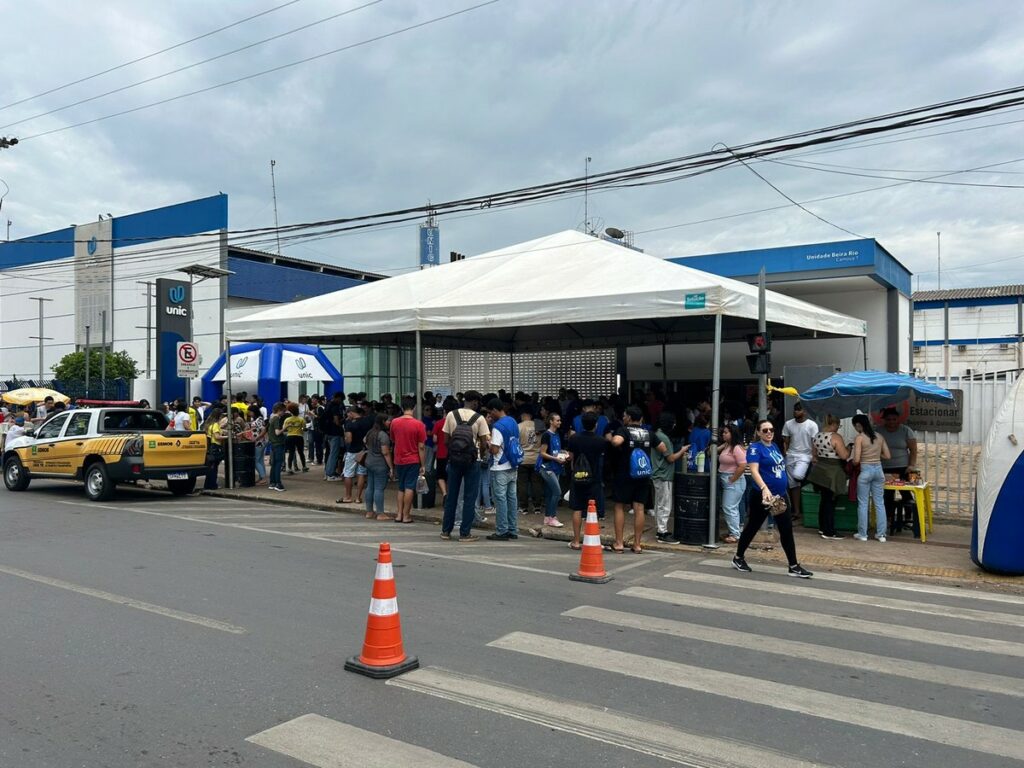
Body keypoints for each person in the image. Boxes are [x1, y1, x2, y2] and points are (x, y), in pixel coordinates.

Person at [732, 419, 813, 578]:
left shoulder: (775, 446)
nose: (769, 433)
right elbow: (754, 471)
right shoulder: (755, 448)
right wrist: (764, 488)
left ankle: (793, 565)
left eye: (771, 430)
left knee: (786, 528)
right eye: (765, 430)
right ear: (758, 432)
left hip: (778, 496)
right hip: (763, 496)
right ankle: (738, 557)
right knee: (752, 527)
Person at [606, 405, 662, 553]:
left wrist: (610, 438)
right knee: (639, 508)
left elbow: (616, 442)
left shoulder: (624, 430)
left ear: (629, 418)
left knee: (619, 506)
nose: (623, 418)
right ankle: (637, 544)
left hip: (625, 474)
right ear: (641, 419)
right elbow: (663, 449)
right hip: (643, 474)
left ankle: (619, 543)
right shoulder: (649, 433)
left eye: (624, 416)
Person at [441, 390, 489, 542]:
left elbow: (445, 439)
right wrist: (478, 454)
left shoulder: (451, 415)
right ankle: (465, 533)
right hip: (472, 461)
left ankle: (446, 531)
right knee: (470, 497)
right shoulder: (479, 418)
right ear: (474, 402)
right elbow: (483, 442)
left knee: (452, 496)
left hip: (454, 460)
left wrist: (455, 452)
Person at [565, 411, 607, 549]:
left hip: (577, 476)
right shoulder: (601, 441)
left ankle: (576, 541)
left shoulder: (574, 438)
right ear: (596, 425)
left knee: (577, 508)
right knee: (592, 509)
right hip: (594, 477)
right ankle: (593, 540)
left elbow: (570, 457)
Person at [807, 413, 849, 540]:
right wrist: (849, 448)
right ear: (834, 424)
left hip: (820, 471)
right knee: (830, 502)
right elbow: (844, 456)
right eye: (838, 425)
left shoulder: (817, 436)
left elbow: (814, 455)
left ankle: (822, 527)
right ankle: (829, 531)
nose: (838, 427)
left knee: (824, 500)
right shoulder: (835, 437)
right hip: (833, 471)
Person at [879, 407, 919, 535]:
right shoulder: (878, 431)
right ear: (884, 420)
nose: (891, 422)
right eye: (889, 419)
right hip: (885, 468)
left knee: (906, 494)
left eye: (894, 419)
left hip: (903, 467)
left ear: (898, 419)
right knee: (887, 495)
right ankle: (888, 519)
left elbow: (913, 450)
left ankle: (908, 517)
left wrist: (911, 465)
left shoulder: (906, 431)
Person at [852, 413, 891, 542]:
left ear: (859, 425)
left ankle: (863, 534)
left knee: (863, 503)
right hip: (879, 471)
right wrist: (876, 456)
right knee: (879, 503)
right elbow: (888, 456)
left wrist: (853, 461)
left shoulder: (859, 438)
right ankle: (881, 535)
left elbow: (856, 460)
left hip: (865, 471)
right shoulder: (879, 436)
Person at [485, 399, 520, 541]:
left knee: (500, 500)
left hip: (500, 466)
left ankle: (502, 531)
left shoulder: (497, 426)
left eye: (489, 412)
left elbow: (494, 449)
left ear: (494, 410)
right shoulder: (513, 421)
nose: (489, 415)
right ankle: (513, 529)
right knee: (512, 498)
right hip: (513, 464)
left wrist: (488, 444)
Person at [651, 412, 689, 542]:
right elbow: (671, 458)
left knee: (659, 503)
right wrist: (683, 450)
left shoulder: (657, 434)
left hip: (658, 474)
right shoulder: (664, 438)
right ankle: (663, 532)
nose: (674, 425)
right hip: (664, 475)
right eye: (673, 423)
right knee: (665, 504)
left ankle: (660, 529)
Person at [389, 396, 426, 524]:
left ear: (401, 407)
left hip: (398, 458)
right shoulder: (419, 424)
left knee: (401, 487)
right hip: (413, 459)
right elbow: (421, 446)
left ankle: (398, 514)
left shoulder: (394, 422)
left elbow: (393, 439)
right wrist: (423, 464)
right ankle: (406, 515)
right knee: (410, 487)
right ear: (414, 407)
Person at [782, 402, 819, 521]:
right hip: (790, 456)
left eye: (799, 409)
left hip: (805, 456)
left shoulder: (812, 425)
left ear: (805, 411)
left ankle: (806, 480)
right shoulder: (788, 424)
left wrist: (814, 456)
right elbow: (786, 440)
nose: (796, 412)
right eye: (795, 409)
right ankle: (796, 512)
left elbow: (814, 442)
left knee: (798, 476)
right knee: (793, 486)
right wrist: (785, 453)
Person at [717, 423, 747, 543]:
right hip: (727, 479)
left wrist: (732, 479)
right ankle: (734, 531)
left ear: (732, 434)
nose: (723, 434)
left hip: (734, 481)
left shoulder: (737, 448)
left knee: (729, 507)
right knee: (731, 507)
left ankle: (735, 534)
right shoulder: (727, 446)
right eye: (723, 432)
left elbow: (743, 465)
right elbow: (711, 451)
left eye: (726, 432)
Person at [537, 412, 567, 528]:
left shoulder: (557, 434)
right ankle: (552, 517)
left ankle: (547, 517)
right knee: (557, 492)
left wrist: (564, 454)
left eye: (560, 420)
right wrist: (556, 458)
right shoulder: (546, 435)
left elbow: (556, 450)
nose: (559, 422)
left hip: (556, 466)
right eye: (557, 420)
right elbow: (542, 453)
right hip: (548, 467)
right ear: (551, 421)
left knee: (550, 493)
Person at [363, 413, 394, 520]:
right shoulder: (383, 435)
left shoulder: (370, 432)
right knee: (379, 488)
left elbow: (365, 443)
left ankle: (369, 511)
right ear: (383, 422)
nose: (389, 422)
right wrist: (391, 467)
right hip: (380, 464)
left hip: (369, 461)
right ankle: (380, 513)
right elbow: (385, 452)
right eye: (387, 420)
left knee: (370, 486)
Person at [340, 405, 370, 503]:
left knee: (348, 474)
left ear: (351, 413)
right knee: (361, 473)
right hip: (363, 451)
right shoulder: (367, 422)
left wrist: (345, 439)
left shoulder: (349, 424)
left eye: (348, 414)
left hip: (352, 451)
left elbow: (349, 439)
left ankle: (348, 496)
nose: (347, 416)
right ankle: (358, 498)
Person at [516, 404, 542, 515]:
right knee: (537, 483)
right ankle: (537, 506)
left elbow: (515, 444)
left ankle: (524, 507)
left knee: (522, 484)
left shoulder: (518, 426)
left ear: (523, 415)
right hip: (536, 458)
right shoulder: (539, 426)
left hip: (523, 459)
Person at [432, 402, 451, 506]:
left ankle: (444, 493)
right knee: (451, 476)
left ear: (444, 411)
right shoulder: (454, 423)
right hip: (452, 454)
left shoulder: (438, 423)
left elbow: (434, 439)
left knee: (440, 475)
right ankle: (451, 493)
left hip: (440, 453)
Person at [322, 392, 344, 481]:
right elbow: (336, 422)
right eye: (341, 399)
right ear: (338, 398)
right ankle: (330, 474)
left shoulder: (328, 404)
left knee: (330, 453)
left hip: (327, 432)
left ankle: (328, 472)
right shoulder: (335, 407)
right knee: (334, 454)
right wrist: (343, 420)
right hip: (335, 433)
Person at [267, 402, 288, 492]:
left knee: (274, 463)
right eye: (283, 411)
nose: (283, 413)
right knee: (278, 463)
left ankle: (272, 482)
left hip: (273, 444)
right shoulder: (276, 419)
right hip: (278, 443)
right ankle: (278, 484)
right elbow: (277, 432)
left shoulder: (272, 418)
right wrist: (285, 428)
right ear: (279, 410)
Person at [283, 403, 308, 474]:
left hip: (290, 437)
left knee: (291, 453)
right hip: (299, 437)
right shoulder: (301, 419)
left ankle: (289, 469)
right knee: (301, 452)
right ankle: (304, 467)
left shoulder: (287, 420)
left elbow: (284, 429)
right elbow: (304, 428)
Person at [203, 407, 224, 491]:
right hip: (216, 447)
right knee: (214, 468)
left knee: (210, 467)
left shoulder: (209, 424)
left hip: (210, 447)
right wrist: (227, 436)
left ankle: (208, 484)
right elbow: (217, 437)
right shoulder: (215, 425)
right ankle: (213, 485)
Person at [248, 404, 268, 485]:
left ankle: (263, 477)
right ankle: (261, 476)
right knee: (260, 460)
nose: (249, 413)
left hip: (259, 442)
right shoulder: (258, 419)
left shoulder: (259, 420)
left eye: (250, 412)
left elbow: (263, 430)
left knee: (256, 460)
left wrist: (256, 438)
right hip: (260, 441)